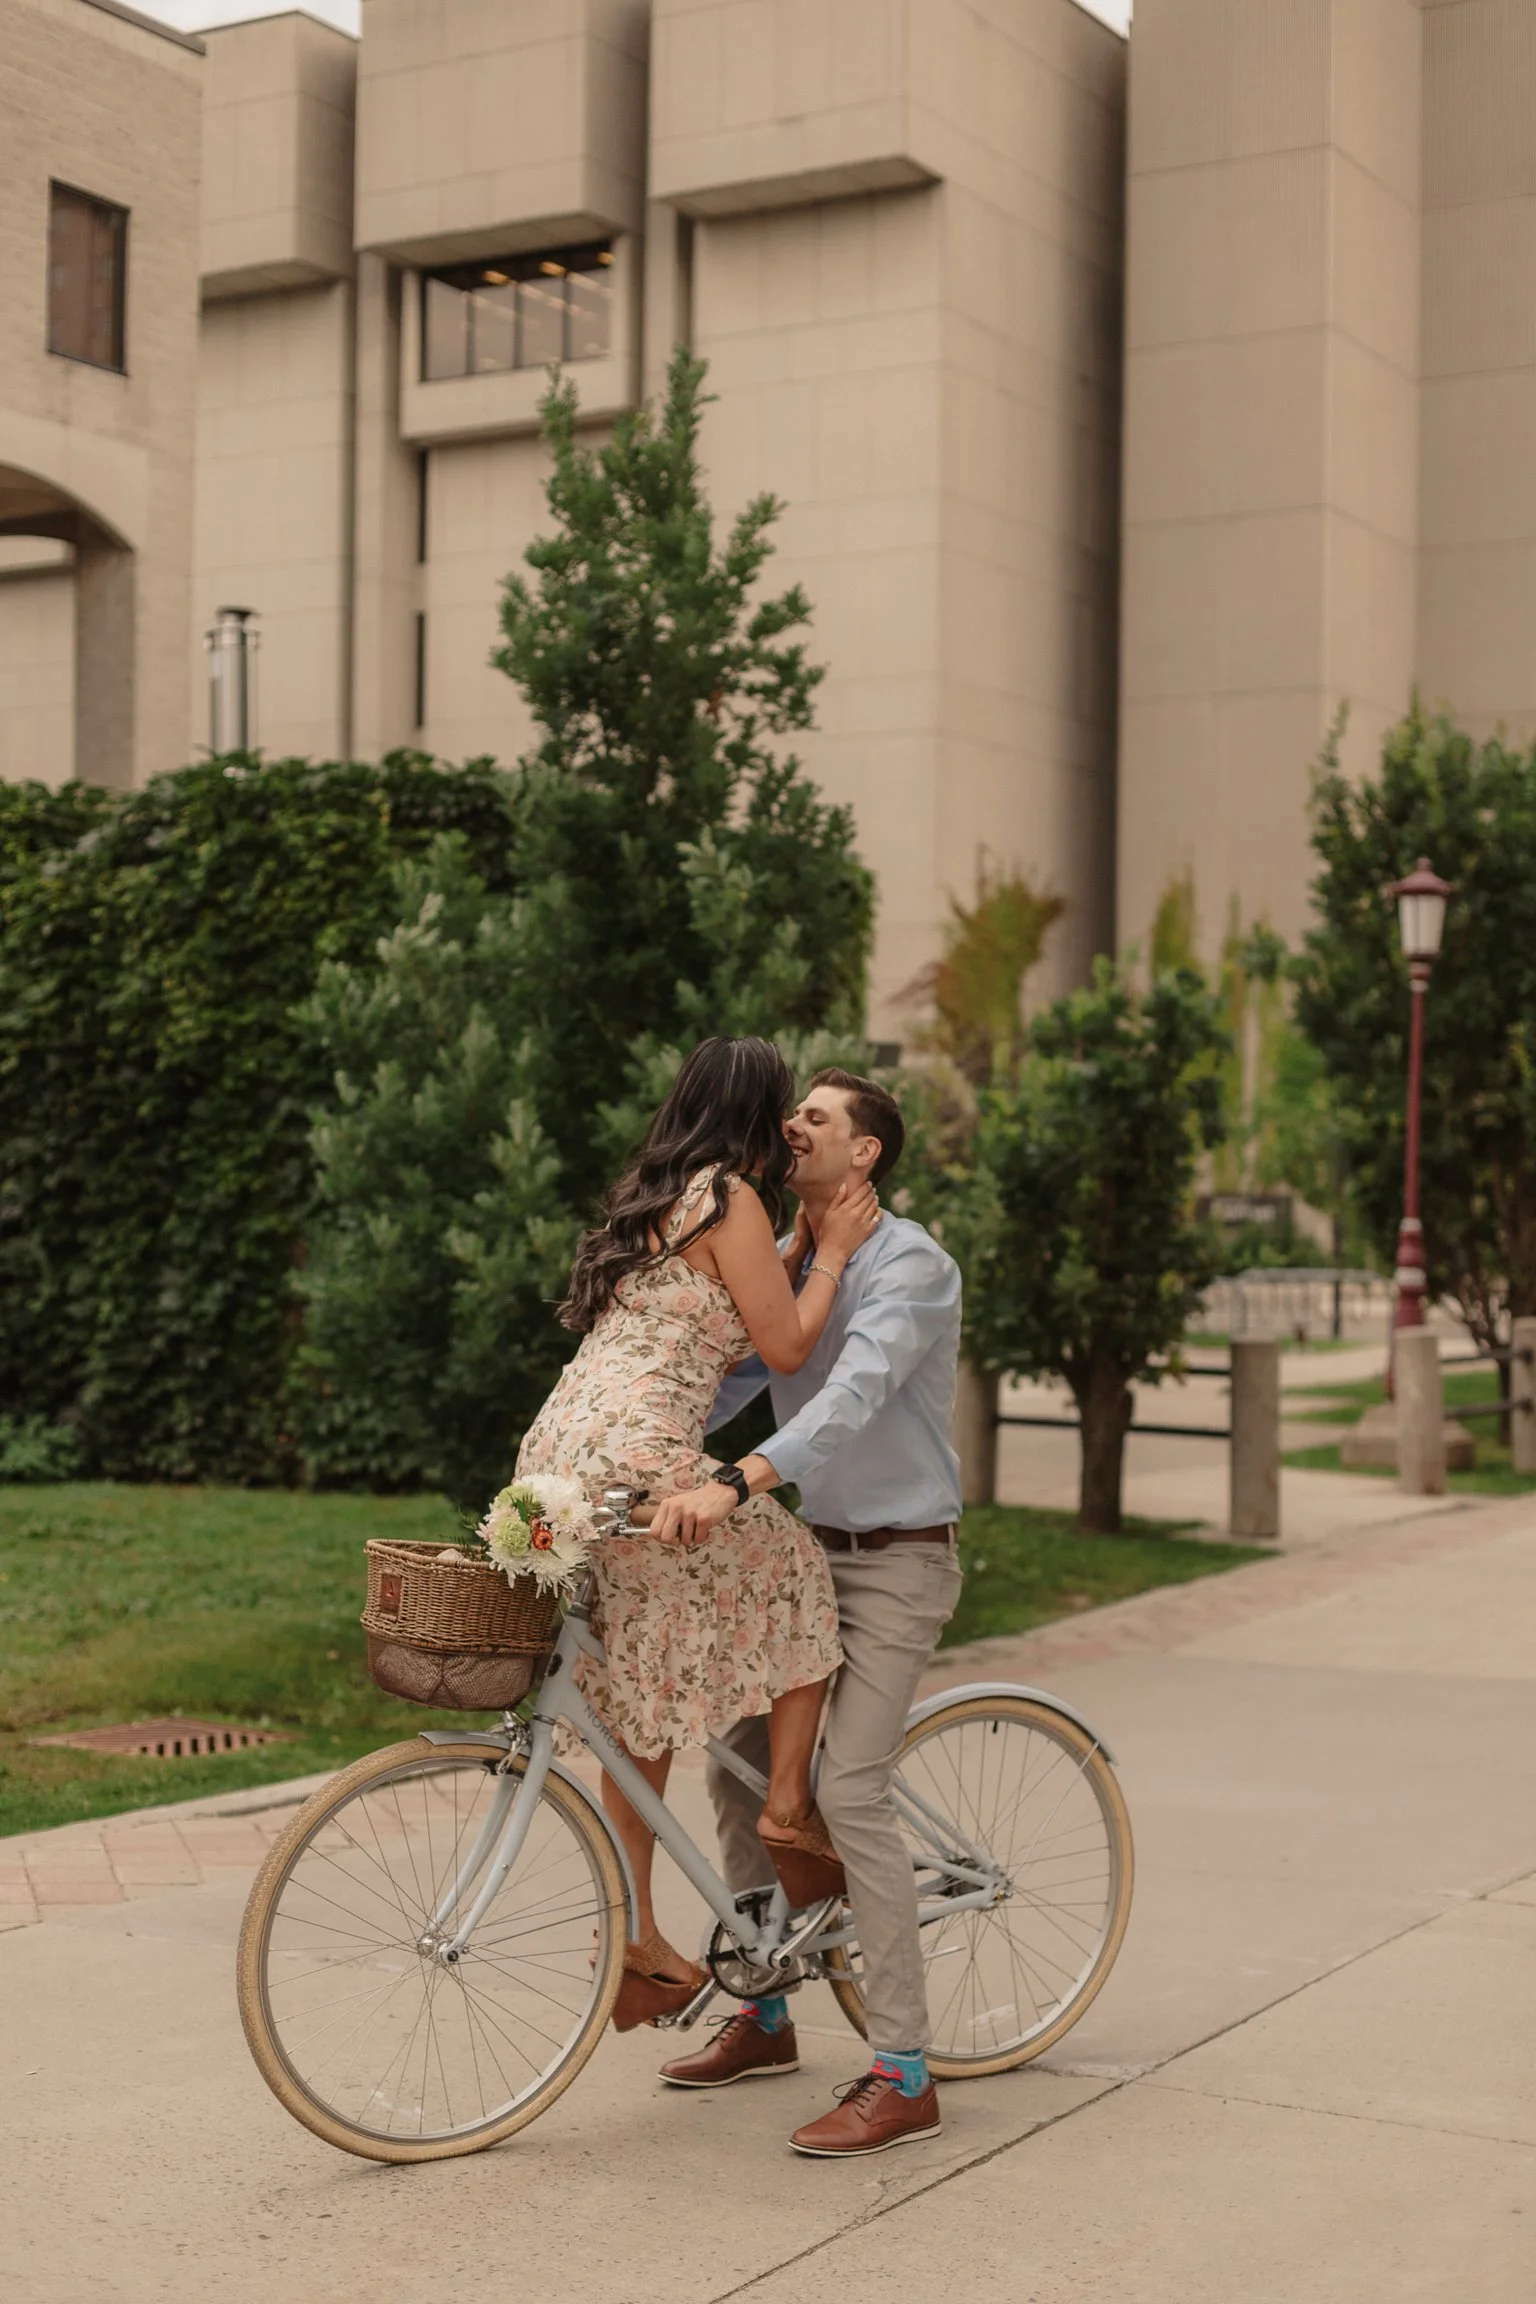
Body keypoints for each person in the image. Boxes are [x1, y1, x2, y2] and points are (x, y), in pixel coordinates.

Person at [515, 1036, 881, 2029]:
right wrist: (837, 1256)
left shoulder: (656, 1197)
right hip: (641, 1454)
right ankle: (787, 1810)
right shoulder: (737, 1198)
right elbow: (788, 1341)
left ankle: (633, 1937)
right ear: (756, 1114)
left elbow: (733, 1300)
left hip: (558, 1455)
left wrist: (804, 1255)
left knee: (633, 1702)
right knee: (799, 1579)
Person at [647, 1068, 963, 2158]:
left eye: (817, 1117)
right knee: (735, 1756)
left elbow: (847, 1399)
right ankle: (765, 2006)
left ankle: (904, 2073)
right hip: (800, 1554)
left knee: (849, 1787)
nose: (794, 1126)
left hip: (895, 1564)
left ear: (866, 1151)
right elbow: (738, 1384)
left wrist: (735, 1483)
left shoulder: (911, 1265)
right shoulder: (789, 1252)